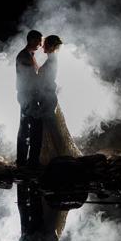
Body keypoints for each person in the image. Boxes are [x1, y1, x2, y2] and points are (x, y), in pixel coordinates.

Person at [37, 35, 81, 164]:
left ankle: (61, 155)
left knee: (52, 127)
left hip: (48, 96)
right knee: (51, 127)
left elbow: (48, 80)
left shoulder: (52, 60)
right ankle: (56, 154)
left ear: (50, 46)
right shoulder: (51, 59)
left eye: (44, 44)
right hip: (47, 96)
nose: (42, 46)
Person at [15, 30, 43, 168]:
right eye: (38, 40)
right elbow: (31, 78)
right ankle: (29, 161)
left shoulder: (29, 55)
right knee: (33, 128)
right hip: (27, 95)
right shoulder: (24, 56)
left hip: (28, 95)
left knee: (27, 127)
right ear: (31, 40)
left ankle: (25, 160)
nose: (40, 43)